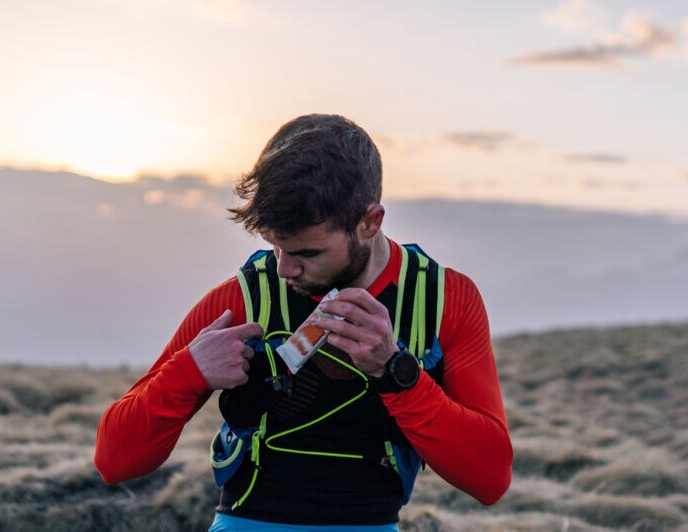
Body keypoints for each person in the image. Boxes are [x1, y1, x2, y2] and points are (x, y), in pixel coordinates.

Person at [95, 114, 512, 530]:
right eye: (275, 246)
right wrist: (188, 372)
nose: (283, 270)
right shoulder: (244, 298)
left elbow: (490, 480)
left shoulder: (442, 300)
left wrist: (395, 371)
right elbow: (114, 461)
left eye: (307, 254)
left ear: (370, 222)